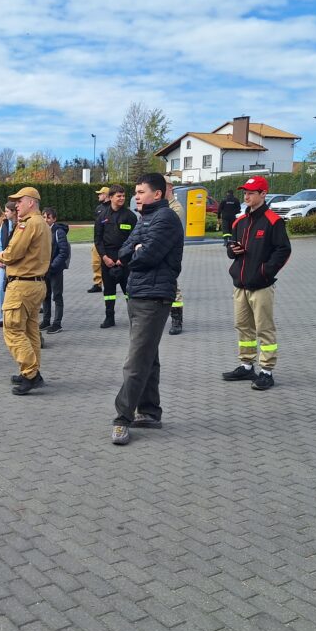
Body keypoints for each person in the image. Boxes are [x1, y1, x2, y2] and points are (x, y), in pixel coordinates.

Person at [111, 173, 184, 446]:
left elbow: (146, 256)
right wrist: (135, 249)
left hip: (154, 298)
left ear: (158, 194)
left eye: (141, 192)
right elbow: (123, 251)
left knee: (136, 360)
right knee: (148, 356)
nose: (136, 197)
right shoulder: (146, 219)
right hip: (140, 294)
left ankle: (122, 417)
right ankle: (150, 412)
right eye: (136, 192)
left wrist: (136, 251)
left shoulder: (166, 219)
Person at [223, 175, 291, 391]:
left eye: (251, 193)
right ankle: (246, 365)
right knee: (243, 326)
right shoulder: (240, 221)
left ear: (263, 194)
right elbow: (231, 250)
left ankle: (266, 371)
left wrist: (265, 272)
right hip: (240, 284)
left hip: (261, 285)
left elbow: (283, 250)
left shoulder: (273, 221)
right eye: (245, 193)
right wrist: (232, 251)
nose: (246, 197)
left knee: (264, 328)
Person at [0, 187, 50, 395]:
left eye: (19, 201)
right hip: (37, 284)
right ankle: (31, 370)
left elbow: (14, 252)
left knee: (12, 329)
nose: (16, 205)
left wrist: (1, 257)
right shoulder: (43, 223)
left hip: (22, 285)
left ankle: (31, 374)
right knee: (30, 331)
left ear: (31, 202)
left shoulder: (28, 224)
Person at [94, 187, 138, 329]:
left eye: (123, 196)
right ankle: (109, 317)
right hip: (107, 259)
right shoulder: (102, 216)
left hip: (125, 260)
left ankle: (134, 319)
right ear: (111, 197)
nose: (122, 198)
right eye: (119, 196)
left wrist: (123, 258)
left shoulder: (130, 216)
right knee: (109, 292)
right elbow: (98, 239)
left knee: (129, 291)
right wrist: (104, 257)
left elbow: (134, 239)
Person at [39, 207, 69, 334]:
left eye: (48, 217)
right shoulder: (41, 231)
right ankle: (46, 320)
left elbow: (63, 252)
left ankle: (57, 323)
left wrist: (52, 266)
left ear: (54, 219)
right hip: (44, 270)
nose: (46, 220)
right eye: (44, 217)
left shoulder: (59, 232)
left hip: (55, 270)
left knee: (57, 296)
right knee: (45, 295)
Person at [166, 186, 186, 335]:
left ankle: (177, 320)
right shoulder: (161, 205)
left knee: (174, 287)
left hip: (170, 252)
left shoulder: (176, 207)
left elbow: (167, 228)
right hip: (160, 252)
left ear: (169, 188)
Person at [0, 200, 17, 328]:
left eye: (7, 211)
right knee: (0, 290)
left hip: (15, 265)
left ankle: (13, 317)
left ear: (14, 212)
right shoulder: (4, 224)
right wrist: (0, 258)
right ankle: (2, 316)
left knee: (14, 292)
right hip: (3, 264)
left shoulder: (20, 226)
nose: (5, 213)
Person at [88, 186, 111, 293]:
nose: (98, 196)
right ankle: (97, 284)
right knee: (96, 262)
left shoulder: (112, 207)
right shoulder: (98, 208)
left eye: (100, 194)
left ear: (106, 195)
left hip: (109, 241)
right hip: (98, 241)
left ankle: (111, 282)